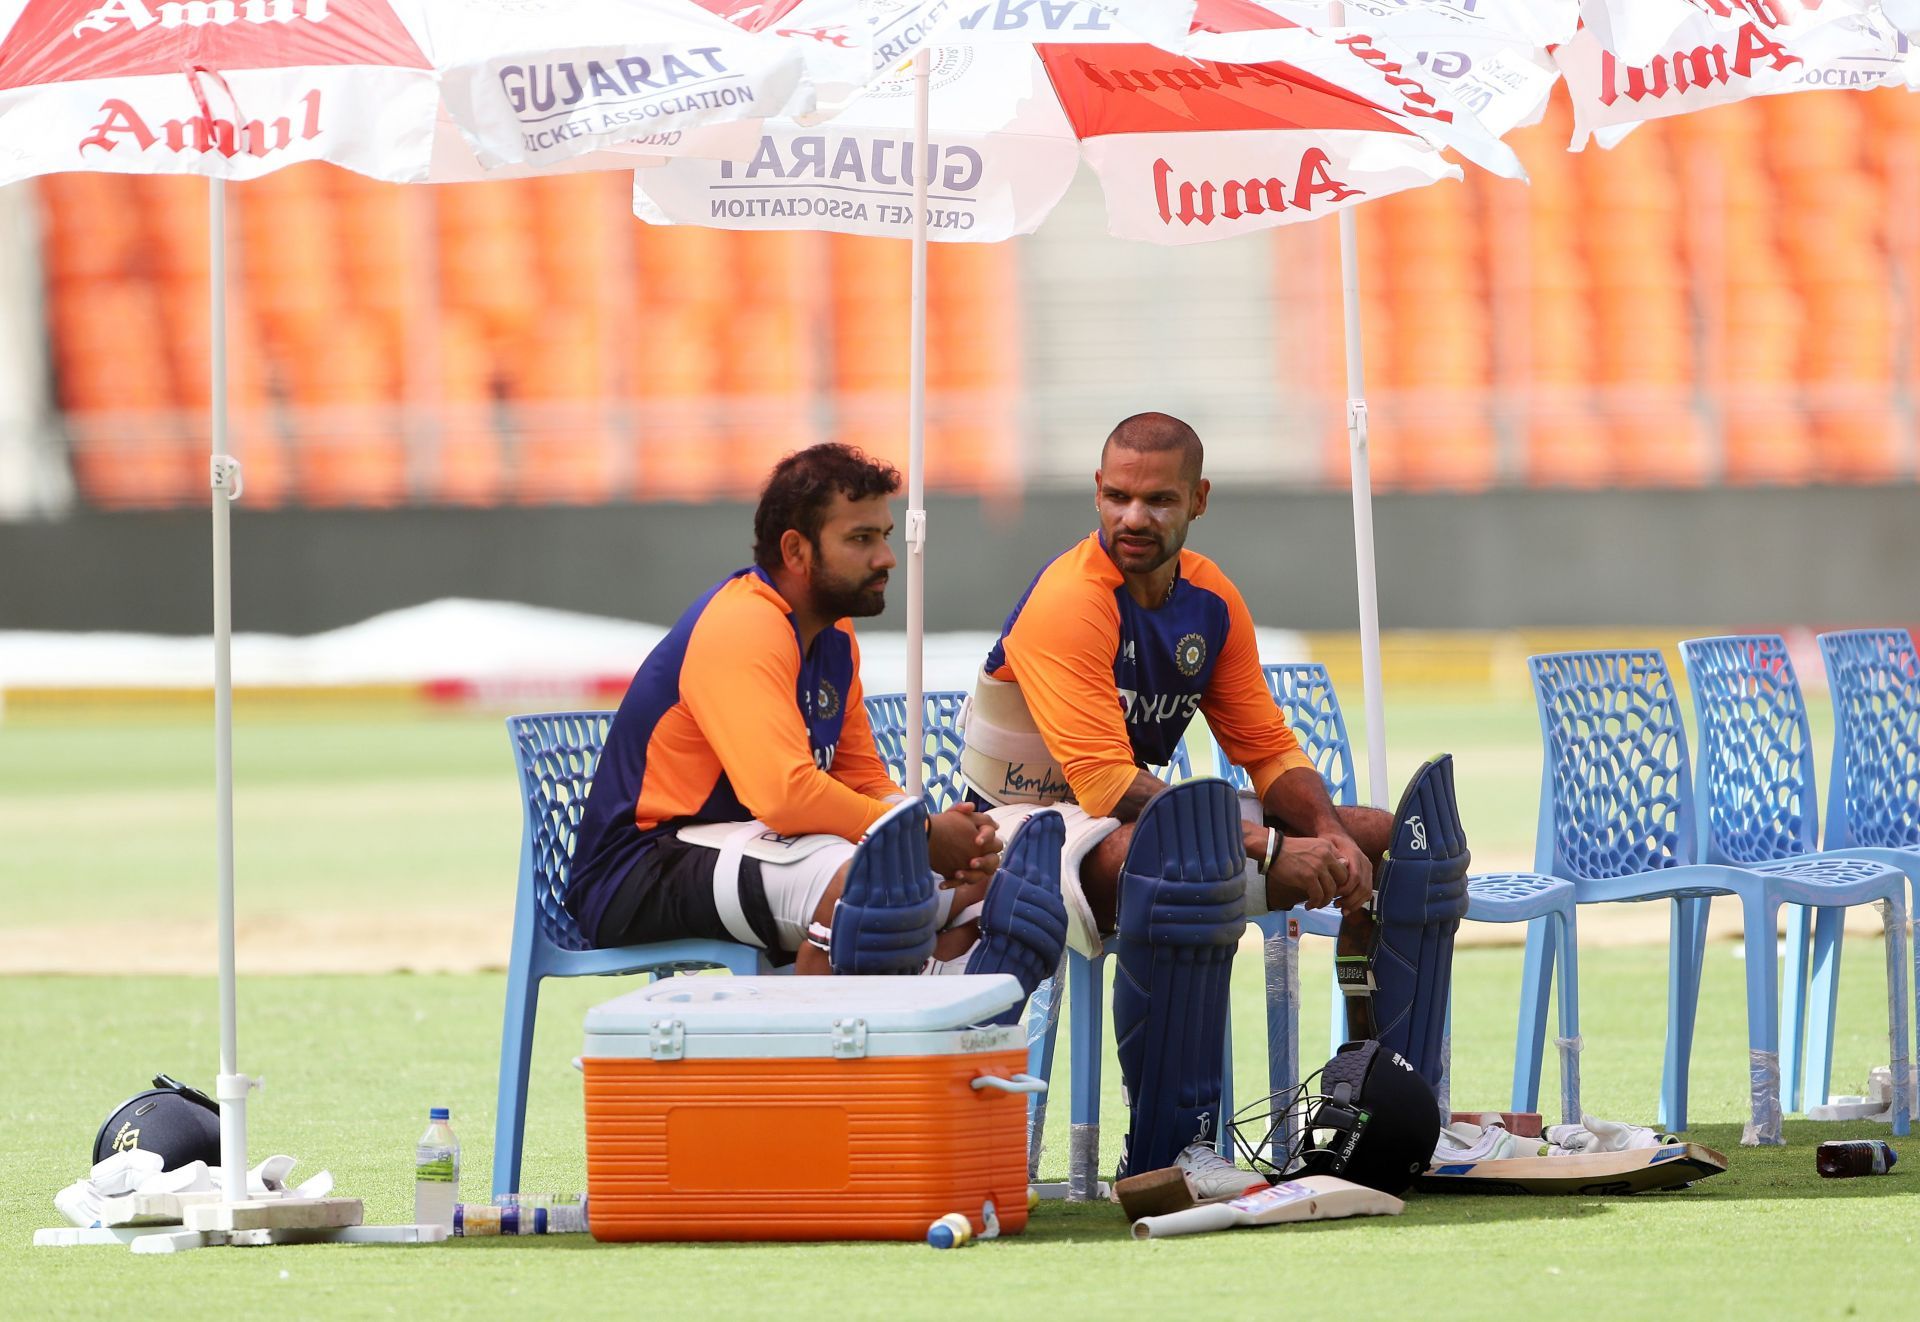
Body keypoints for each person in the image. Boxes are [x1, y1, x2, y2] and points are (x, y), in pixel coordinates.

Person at [958, 412, 1465, 1190]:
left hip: (1138, 828)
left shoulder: (1210, 597)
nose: (1134, 517)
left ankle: (1397, 1108)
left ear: (1198, 499)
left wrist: (1329, 836)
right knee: (1182, 863)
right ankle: (1170, 1152)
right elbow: (1102, 785)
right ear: (1096, 492)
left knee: (1398, 840)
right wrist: (1265, 849)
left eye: (1158, 499)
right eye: (1119, 497)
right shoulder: (1070, 598)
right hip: (1019, 835)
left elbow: (1264, 747)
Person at [566, 443, 1064, 1000]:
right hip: (636, 871)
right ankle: (910, 1005)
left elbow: (863, 778)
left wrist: (946, 838)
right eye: (861, 539)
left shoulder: (833, 635)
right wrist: (920, 838)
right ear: (797, 550)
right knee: (868, 880)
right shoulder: (743, 625)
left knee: (988, 890)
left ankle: (939, 993)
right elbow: (785, 796)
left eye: (885, 535)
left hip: (743, 849)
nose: (887, 557)